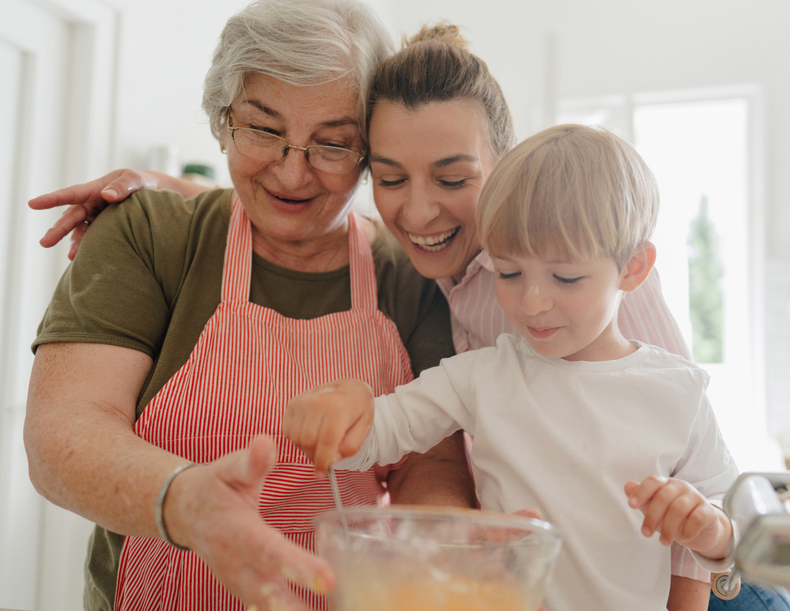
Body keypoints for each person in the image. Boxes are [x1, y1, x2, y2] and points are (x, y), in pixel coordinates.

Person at [31, 22, 790, 611]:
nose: (420, 210)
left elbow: (678, 470)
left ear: (506, 166)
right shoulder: (416, 273)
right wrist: (168, 189)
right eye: (390, 177)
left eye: (454, 177)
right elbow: (406, 419)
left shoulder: (588, 289)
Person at [23, 2, 477, 611]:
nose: (292, 173)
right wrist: (185, 502)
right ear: (222, 118)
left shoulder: (410, 278)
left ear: (370, 150)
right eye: (264, 129)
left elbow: (433, 467)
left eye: (333, 144)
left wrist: (439, 556)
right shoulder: (151, 234)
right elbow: (63, 434)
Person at [286, 124, 738, 611]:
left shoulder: (678, 391)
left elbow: (737, 529)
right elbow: (381, 432)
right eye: (510, 272)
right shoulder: (482, 376)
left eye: (565, 276)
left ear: (633, 267)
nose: (533, 301)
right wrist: (342, 419)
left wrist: (710, 529)